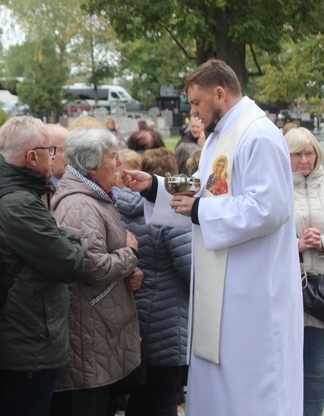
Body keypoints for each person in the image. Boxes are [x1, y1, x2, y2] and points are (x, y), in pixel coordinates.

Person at [122, 59, 303, 415]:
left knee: (252, 390)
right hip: (220, 290)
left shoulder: (258, 135)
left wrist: (201, 211)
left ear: (220, 93)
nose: (193, 112)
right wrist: (154, 188)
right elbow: (207, 193)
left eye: (196, 102)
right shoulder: (221, 135)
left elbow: (270, 207)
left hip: (252, 294)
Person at [0, 116, 84, 415]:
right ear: (31, 156)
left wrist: (62, 237)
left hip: (27, 334)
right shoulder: (18, 203)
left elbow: (55, 244)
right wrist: (74, 239)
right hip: (29, 340)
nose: (54, 157)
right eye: (51, 150)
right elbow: (69, 263)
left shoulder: (20, 193)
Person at [50, 128, 142, 416]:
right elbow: (94, 267)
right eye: (112, 156)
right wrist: (130, 255)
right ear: (91, 166)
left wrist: (130, 271)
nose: (118, 163)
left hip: (100, 328)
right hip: (89, 333)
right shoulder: (79, 204)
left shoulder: (94, 196)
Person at [116, 148, 191, 416]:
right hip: (169, 320)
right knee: (162, 399)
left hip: (137, 317)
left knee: (141, 397)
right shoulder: (170, 215)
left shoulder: (121, 208)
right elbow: (191, 269)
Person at [285, 128, 324, 416]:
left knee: (314, 375)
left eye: (309, 152)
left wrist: (323, 242)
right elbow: (260, 241)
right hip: (286, 294)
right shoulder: (276, 188)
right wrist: (295, 245)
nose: (304, 160)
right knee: (283, 374)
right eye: (297, 153)